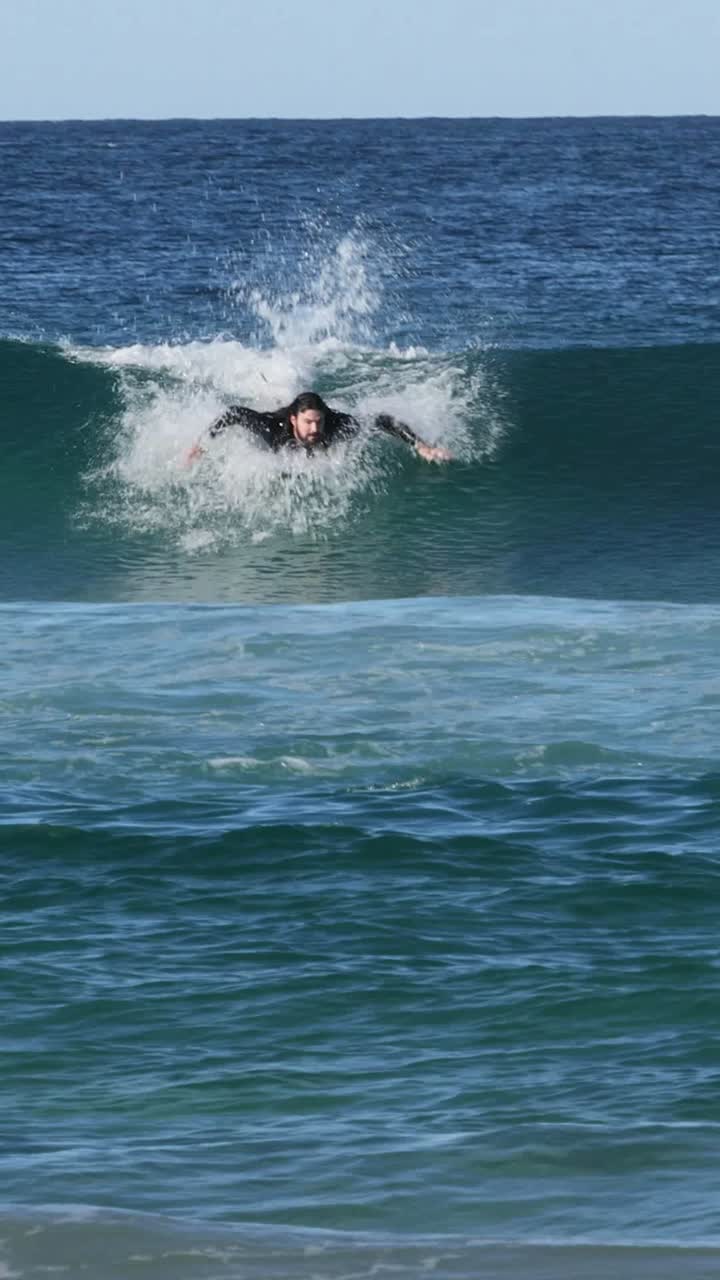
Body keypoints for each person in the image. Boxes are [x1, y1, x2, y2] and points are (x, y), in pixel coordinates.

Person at [185, 391, 452, 464]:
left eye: (318, 421)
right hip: (278, 422)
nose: (315, 428)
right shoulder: (272, 429)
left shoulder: (335, 427)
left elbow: (382, 420)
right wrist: (202, 445)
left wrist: (422, 446)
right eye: (308, 423)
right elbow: (234, 413)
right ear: (295, 420)